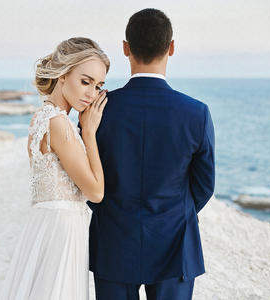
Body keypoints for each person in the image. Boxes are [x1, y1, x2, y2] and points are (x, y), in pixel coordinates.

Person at [88, 8, 215, 300]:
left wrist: (111, 212)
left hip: (114, 241)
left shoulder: (98, 109)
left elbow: (85, 177)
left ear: (125, 48)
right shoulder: (196, 113)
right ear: (171, 48)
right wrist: (172, 213)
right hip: (175, 244)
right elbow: (204, 186)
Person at [0, 37, 110, 300]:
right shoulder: (58, 122)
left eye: (98, 86)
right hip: (61, 230)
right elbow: (95, 192)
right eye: (85, 81)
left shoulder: (42, 116)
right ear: (62, 74)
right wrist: (90, 132)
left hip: (47, 225)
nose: (92, 95)